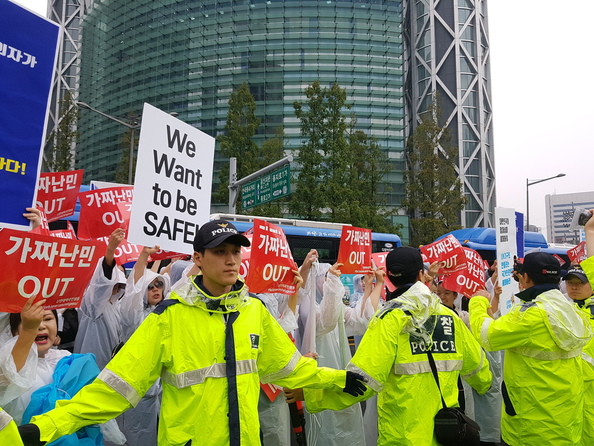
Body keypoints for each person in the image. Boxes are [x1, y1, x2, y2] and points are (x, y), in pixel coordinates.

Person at [18, 220, 365, 446]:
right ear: (198, 258)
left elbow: (289, 368)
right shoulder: (167, 318)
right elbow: (114, 389)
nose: (231, 260)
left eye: (235, 252)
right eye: (220, 252)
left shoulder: (253, 311)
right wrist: (45, 427)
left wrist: (337, 379)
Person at [301, 246, 492, 445]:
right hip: (447, 432)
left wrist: (313, 392)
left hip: (402, 437)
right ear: (421, 274)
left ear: (390, 279)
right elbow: (480, 370)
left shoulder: (387, 319)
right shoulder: (450, 317)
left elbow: (361, 381)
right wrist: (484, 383)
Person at [470, 251, 593, 446]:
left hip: (531, 424)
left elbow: (487, 335)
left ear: (525, 277)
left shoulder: (531, 315)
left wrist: (478, 301)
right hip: (566, 419)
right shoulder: (570, 309)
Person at [74, 228, 127, 370]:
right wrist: (111, 250)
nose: (116, 287)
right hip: (90, 369)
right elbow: (102, 284)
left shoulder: (115, 306)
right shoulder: (94, 304)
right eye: (114, 283)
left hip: (109, 368)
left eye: (120, 284)